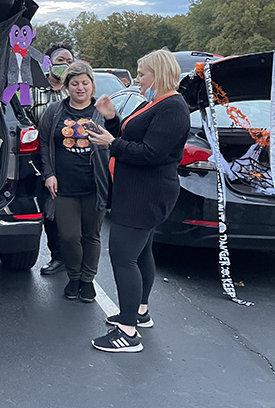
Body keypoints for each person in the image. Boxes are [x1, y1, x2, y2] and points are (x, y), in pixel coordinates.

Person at [88, 49, 189, 353]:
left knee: (123, 257)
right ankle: (139, 312)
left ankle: (127, 332)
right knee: (141, 252)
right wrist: (112, 119)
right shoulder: (155, 102)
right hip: (136, 191)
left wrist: (111, 143)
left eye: (142, 72)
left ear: (158, 74)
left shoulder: (173, 108)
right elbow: (135, 139)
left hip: (146, 194)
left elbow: (150, 154)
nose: (139, 78)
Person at [39, 62, 110, 302]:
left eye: (85, 83)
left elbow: (117, 139)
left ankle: (88, 281)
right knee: (68, 236)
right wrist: (49, 173)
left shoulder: (101, 111)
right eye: (75, 83)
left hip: (95, 185)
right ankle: (74, 276)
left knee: (91, 235)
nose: (80, 88)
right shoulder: (55, 111)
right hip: (63, 187)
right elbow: (45, 143)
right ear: (67, 86)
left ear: (92, 84)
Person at [31, 42, 74, 277]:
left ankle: (69, 258)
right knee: (48, 210)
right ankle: (56, 254)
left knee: (69, 209)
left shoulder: (74, 91)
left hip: (71, 160)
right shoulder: (31, 91)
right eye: (60, 61)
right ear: (48, 64)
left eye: (69, 61)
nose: (65, 65)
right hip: (40, 159)